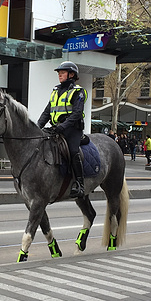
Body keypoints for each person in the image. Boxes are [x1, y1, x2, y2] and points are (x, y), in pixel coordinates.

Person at [37, 61, 88, 198]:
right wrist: (37, 128)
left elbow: (77, 113)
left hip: (72, 130)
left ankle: (80, 184)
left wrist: (62, 127)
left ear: (71, 74)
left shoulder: (78, 92)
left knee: (73, 151)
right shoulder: (55, 91)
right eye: (59, 72)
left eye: (62, 72)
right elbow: (47, 112)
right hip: (56, 128)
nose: (59, 74)